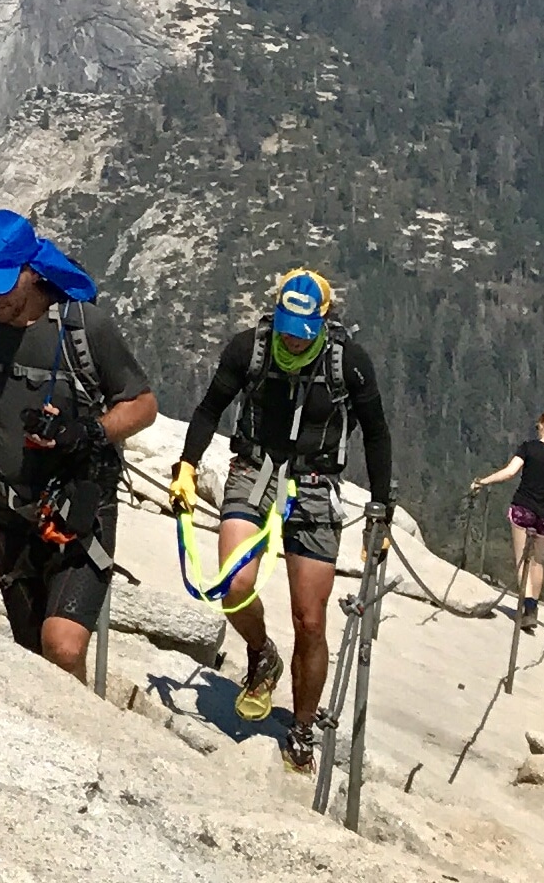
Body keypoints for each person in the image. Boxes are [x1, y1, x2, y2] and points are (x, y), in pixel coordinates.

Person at [0, 210, 158, 680]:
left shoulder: (84, 328)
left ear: (31, 270)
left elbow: (143, 404)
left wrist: (89, 431)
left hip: (79, 510)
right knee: (30, 658)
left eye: (3, 284)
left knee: (61, 647)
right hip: (9, 514)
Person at [168, 269, 392, 775]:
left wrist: (381, 509)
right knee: (234, 584)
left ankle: (303, 727)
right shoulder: (249, 349)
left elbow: (377, 434)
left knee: (310, 620)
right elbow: (210, 408)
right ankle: (260, 652)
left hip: (316, 483)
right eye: (288, 326)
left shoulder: (348, 364)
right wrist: (186, 465)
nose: (293, 338)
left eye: (302, 330)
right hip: (253, 466)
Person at [472, 411, 544, 634]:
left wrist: (483, 482)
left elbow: (509, 472)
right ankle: (534, 608)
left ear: (543, 426)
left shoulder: (529, 448)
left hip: (523, 508)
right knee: (538, 561)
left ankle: (527, 606)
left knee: (523, 561)